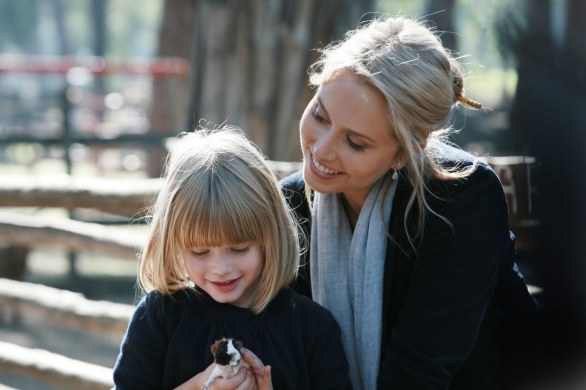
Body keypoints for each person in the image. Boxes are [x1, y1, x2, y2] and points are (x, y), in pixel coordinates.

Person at [280, 15, 542, 389]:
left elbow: (418, 372)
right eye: (320, 115)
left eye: (355, 143)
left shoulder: (461, 200)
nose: (321, 150)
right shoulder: (291, 204)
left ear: (407, 151)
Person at [113, 126, 351, 389]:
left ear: (270, 237)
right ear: (175, 244)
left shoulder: (312, 329)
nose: (220, 268)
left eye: (239, 249)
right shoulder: (160, 318)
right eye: (200, 252)